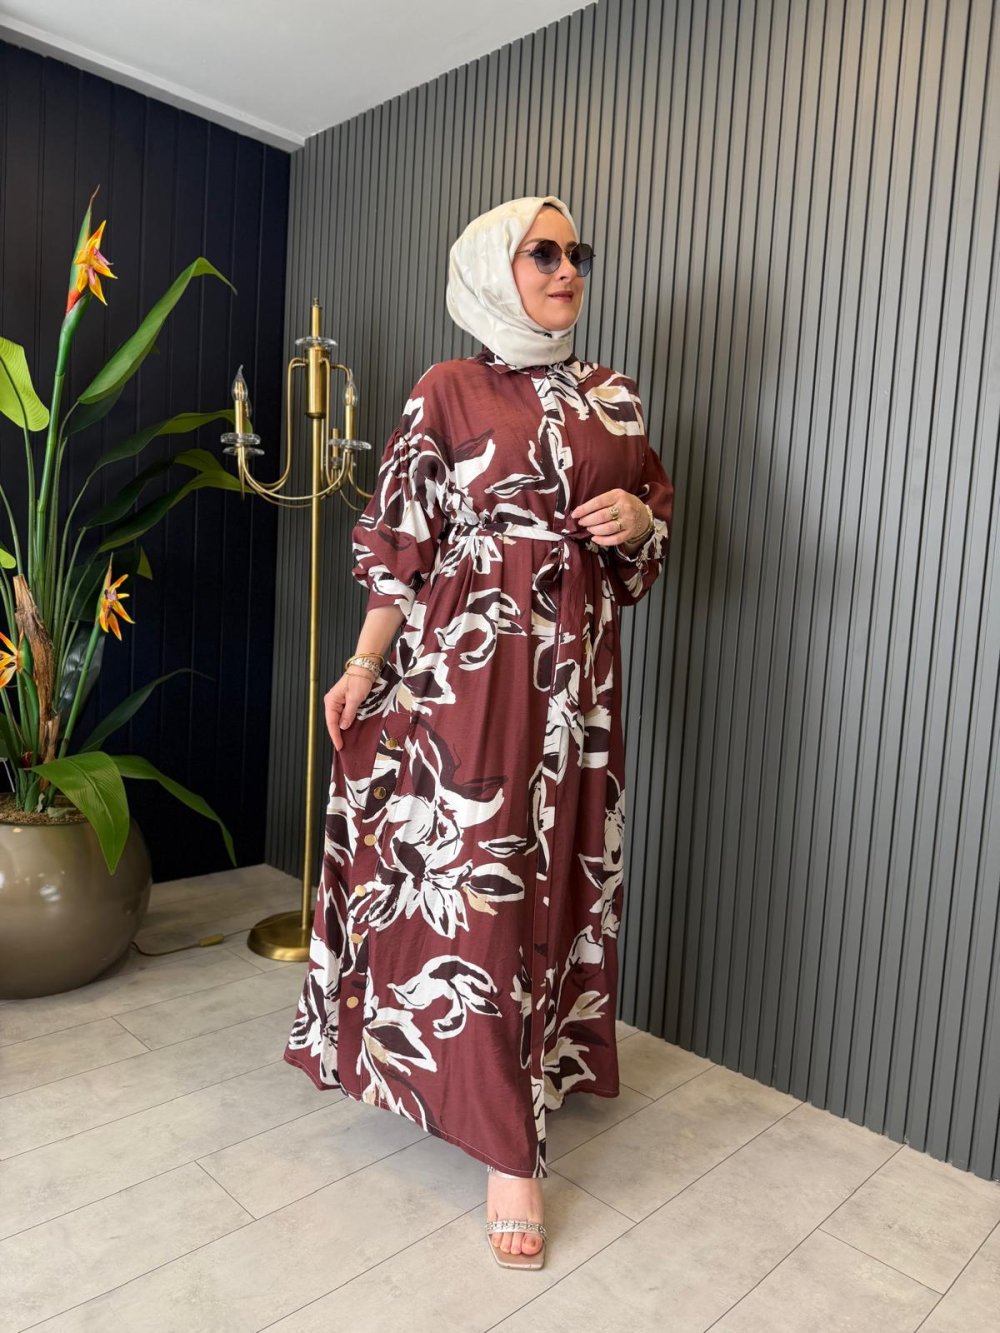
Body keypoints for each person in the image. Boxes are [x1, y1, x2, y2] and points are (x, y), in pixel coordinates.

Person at [284, 195, 674, 1270]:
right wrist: (363, 665)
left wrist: (640, 520)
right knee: (478, 888)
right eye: (542, 252)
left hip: (578, 684)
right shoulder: (447, 389)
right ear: (494, 269)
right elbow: (400, 545)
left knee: (562, 874)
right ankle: (509, 1148)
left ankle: (538, 1062)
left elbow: (651, 520)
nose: (566, 268)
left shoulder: (615, 397)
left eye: (575, 251)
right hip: (468, 670)